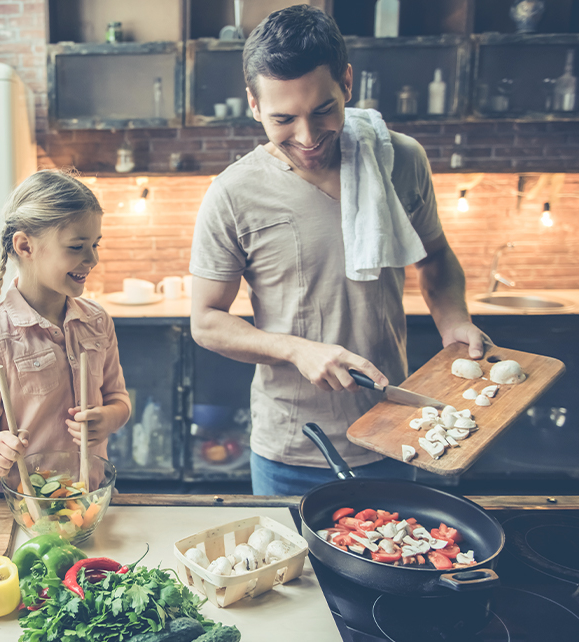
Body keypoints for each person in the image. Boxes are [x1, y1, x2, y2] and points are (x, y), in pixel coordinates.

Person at [189, 6, 485, 496]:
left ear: (347, 82)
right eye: (284, 118)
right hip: (290, 445)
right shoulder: (232, 193)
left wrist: (453, 322)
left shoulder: (400, 159)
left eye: (323, 110)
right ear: (254, 106)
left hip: (395, 430)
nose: (307, 137)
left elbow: (434, 257)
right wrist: (295, 349)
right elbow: (206, 321)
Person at [0, 170, 131, 483]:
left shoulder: (98, 322)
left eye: (95, 244)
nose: (92, 259)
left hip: (92, 498)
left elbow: (119, 399)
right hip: (30, 509)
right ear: (25, 246)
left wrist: (108, 418)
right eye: (77, 247)